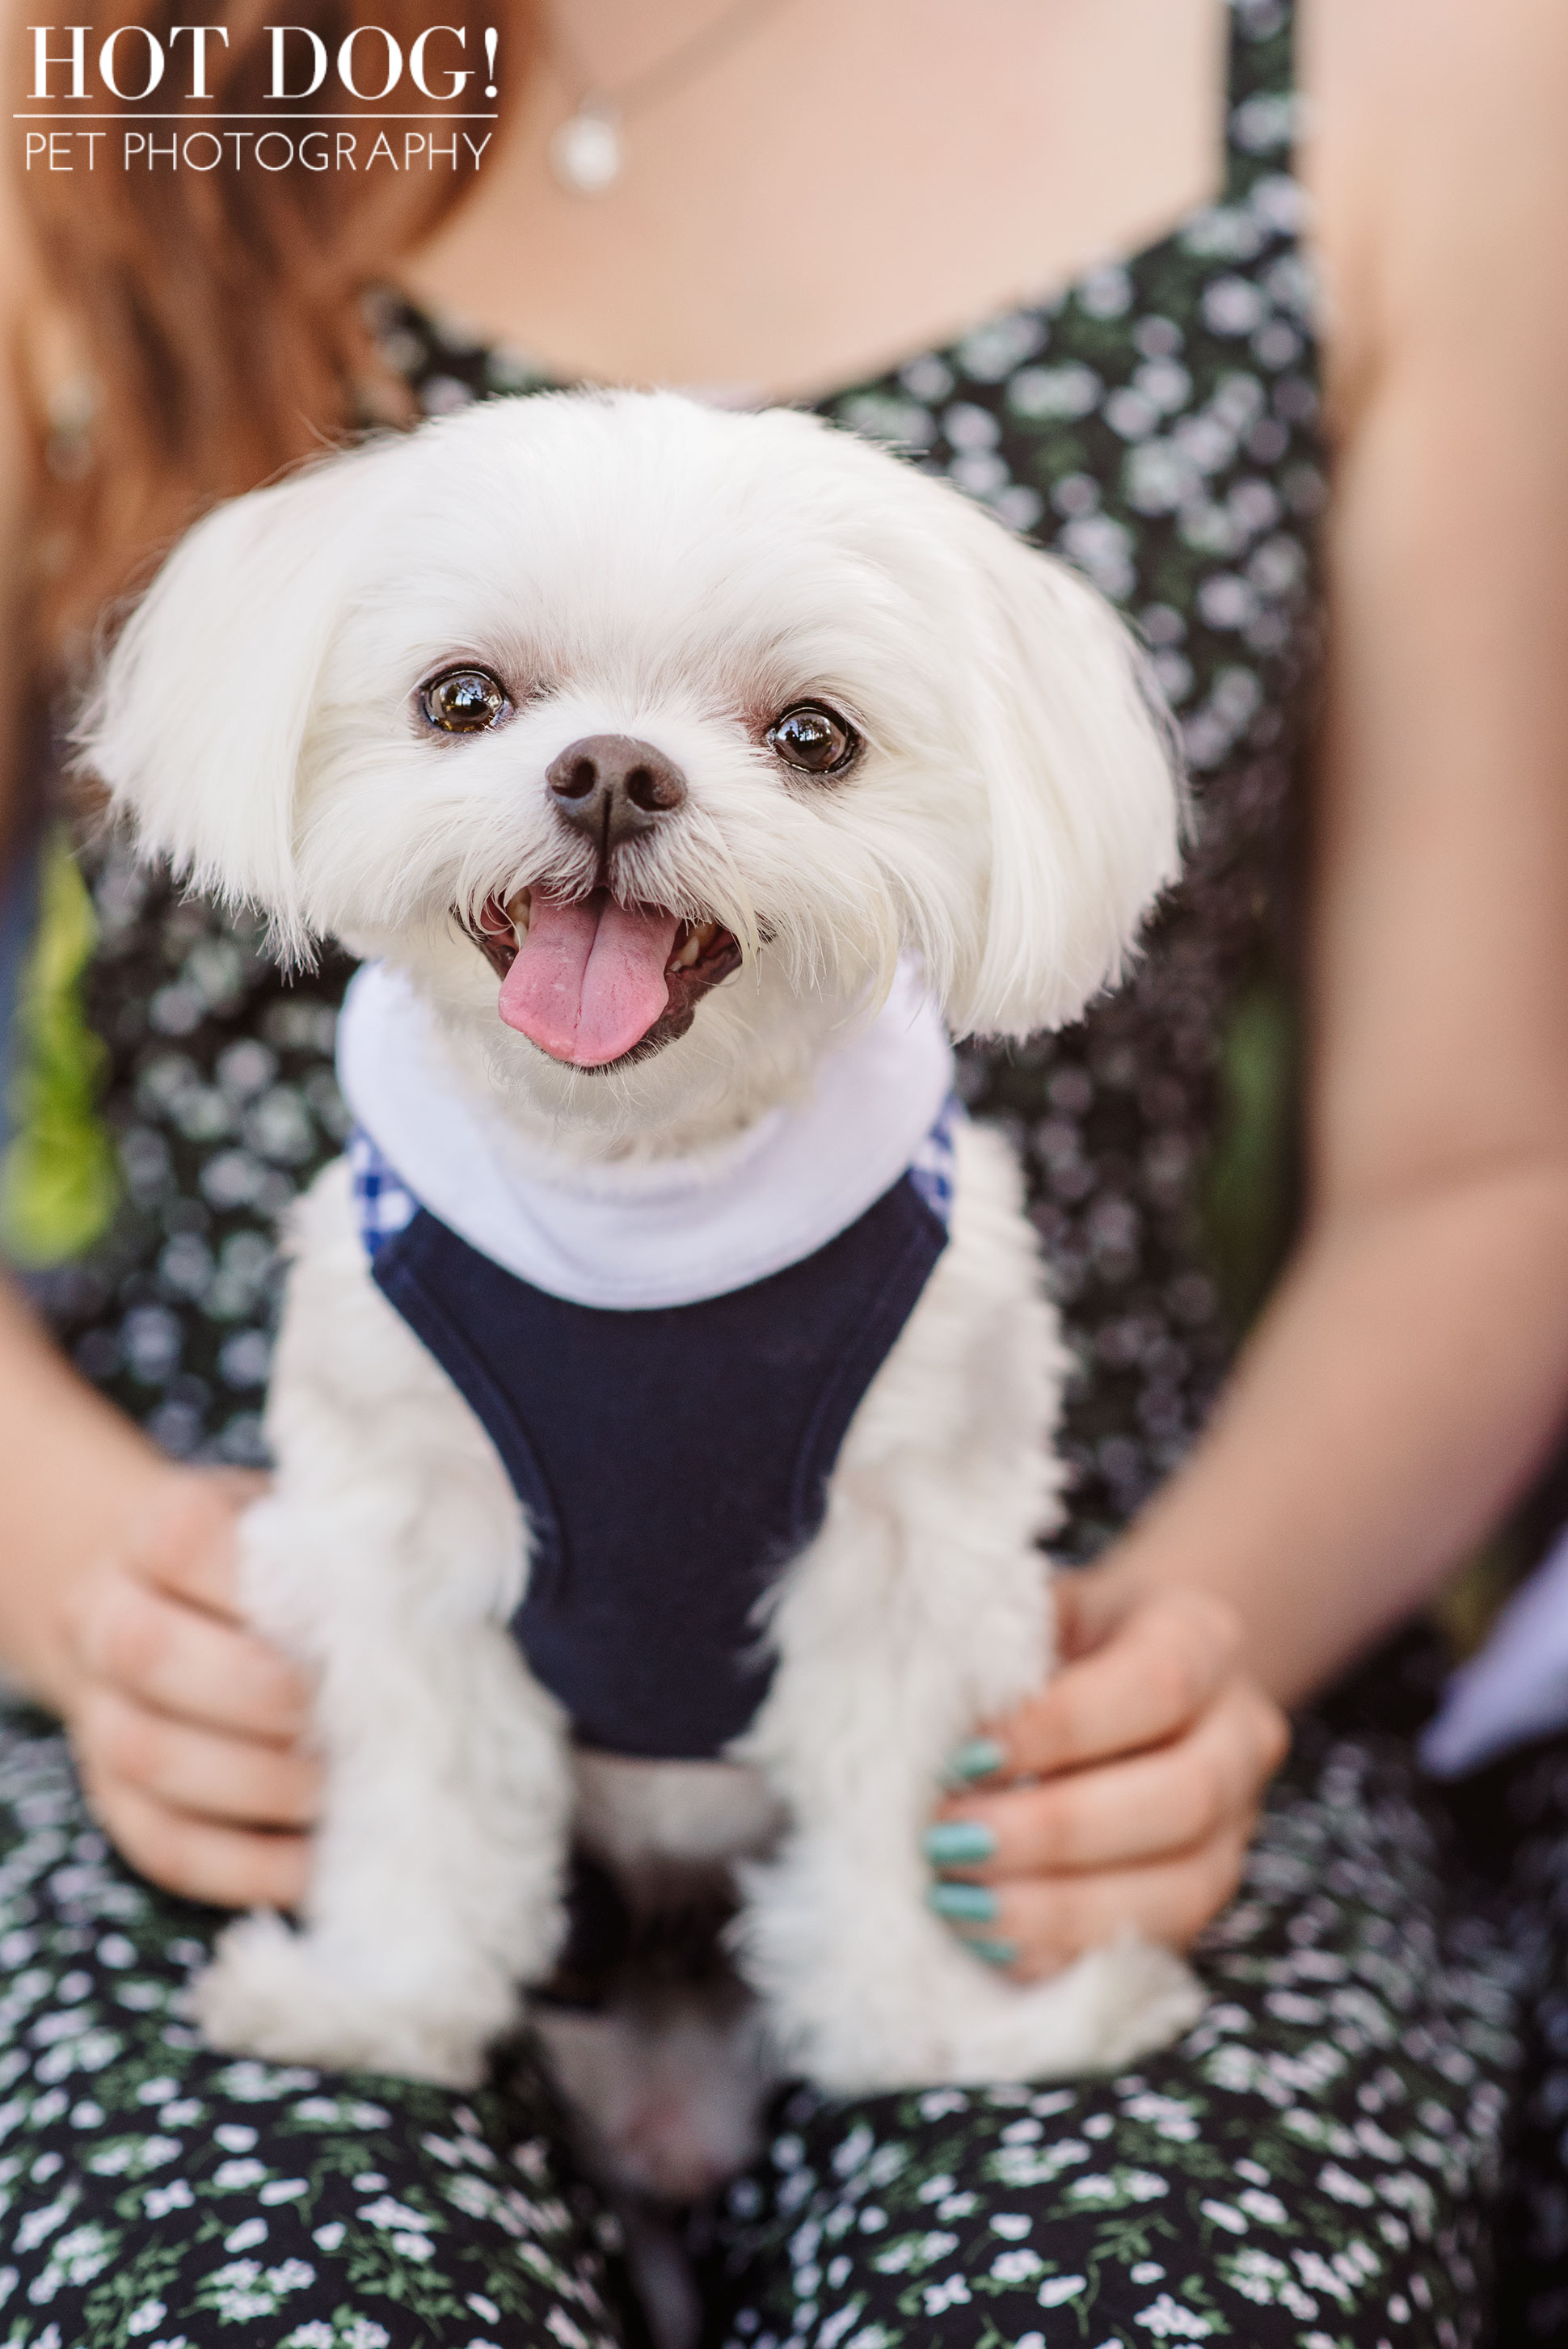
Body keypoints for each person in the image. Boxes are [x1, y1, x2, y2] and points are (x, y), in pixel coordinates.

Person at [0, 1, 1566, 2341]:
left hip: (1108, 1634)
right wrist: (76, 1564)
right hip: (201, 1656)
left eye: (801, 734)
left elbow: (1487, 1162)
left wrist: (1142, 1687)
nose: (607, 785)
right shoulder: (99, 59)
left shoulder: (1426, 67)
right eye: (468, 705)